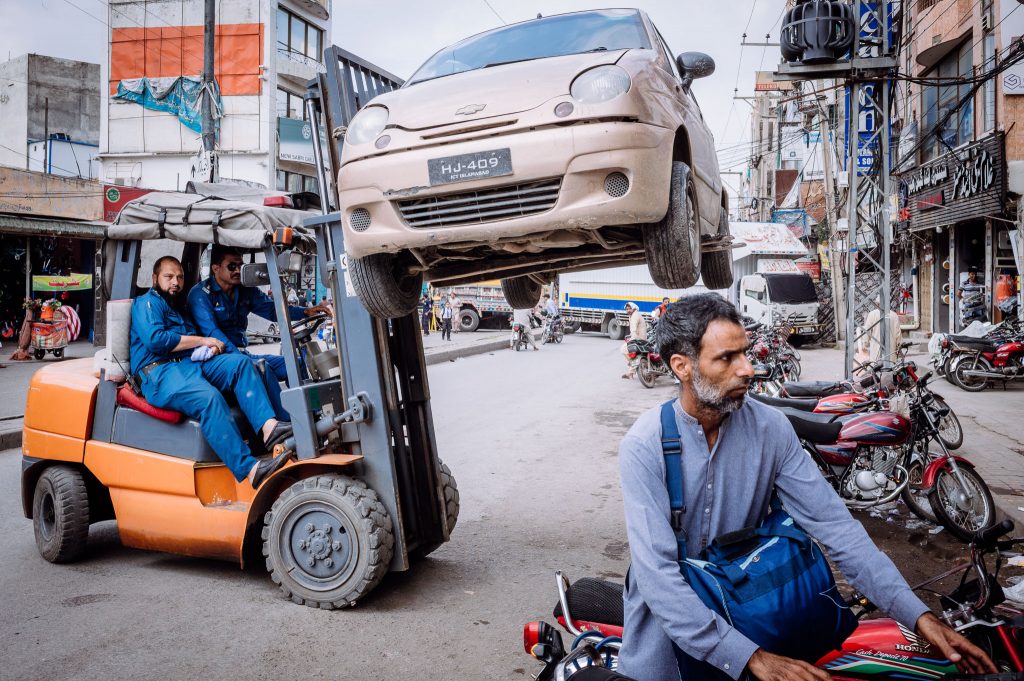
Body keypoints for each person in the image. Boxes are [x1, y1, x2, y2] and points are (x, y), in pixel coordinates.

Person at [617, 293, 996, 681]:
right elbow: (658, 576)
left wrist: (918, 616)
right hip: (665, 647)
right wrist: (753, 659)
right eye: (727, 358)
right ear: (682, 366)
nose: (748, 369)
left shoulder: (771, 429)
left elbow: (836, 527)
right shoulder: (645, 447)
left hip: (749, 619)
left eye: (745, 353)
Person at [132, 256, 293, 489]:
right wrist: (202, 340)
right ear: (155, 278)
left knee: (240, 364)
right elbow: (157, 341)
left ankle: (270, 429)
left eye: (179, 277)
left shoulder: (179, 307)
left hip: (189, 365)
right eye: (169, 277)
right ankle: (250, 469)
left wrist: (212, 347)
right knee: (209, 399)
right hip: (159, 372)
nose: (175, 282)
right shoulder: (147, 303)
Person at [187, 246, 331, 419]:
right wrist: (241, 358)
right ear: (215, 268)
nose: (238, 270)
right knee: (263, 368)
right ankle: (287, 424)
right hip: (219, 357)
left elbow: (272, 311)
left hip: (242, 353)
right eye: (232, 266)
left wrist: (305, 312)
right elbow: (212, 332)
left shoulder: (245, 290)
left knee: (296, 364)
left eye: (241, 265)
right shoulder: (200, 294)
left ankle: (312, 416)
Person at [621, 301, 648, 379]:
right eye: (627, 309)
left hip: (638, 339)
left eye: (630, 308)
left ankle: (632, 365)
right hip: (640, 338)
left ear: (634, 308)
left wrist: (632, 339)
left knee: (623, 349)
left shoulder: (635, 316)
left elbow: (633, 330)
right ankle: (631, 371)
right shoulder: (634, 315)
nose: (628, 310)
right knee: (630, 353)